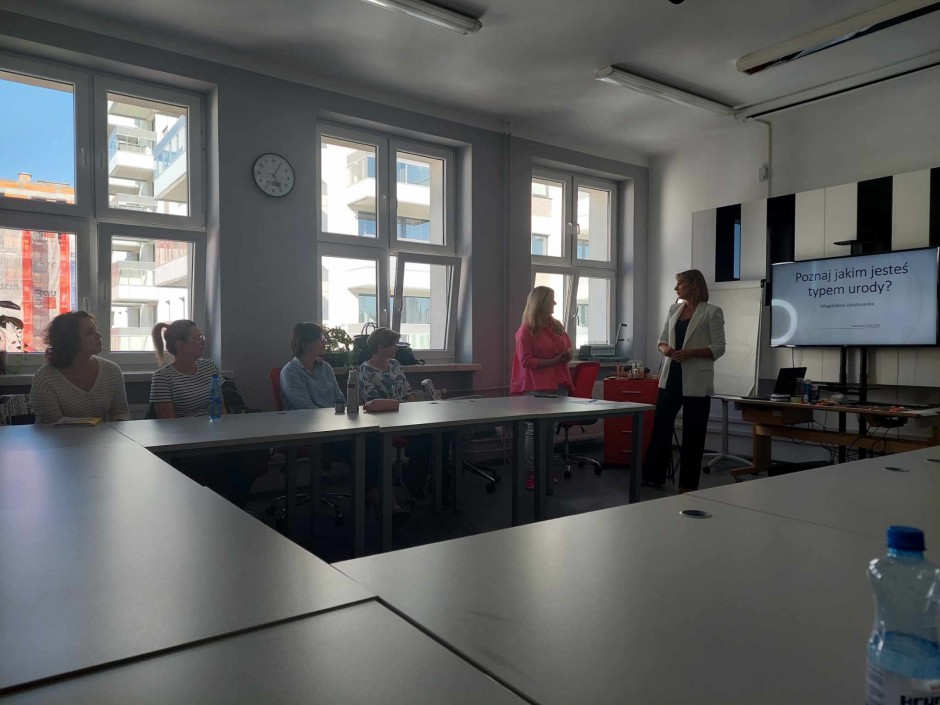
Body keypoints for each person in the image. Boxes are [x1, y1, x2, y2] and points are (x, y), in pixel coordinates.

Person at [149, 320, 265, 507]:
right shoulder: (163, 377)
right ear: (180, 345)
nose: (203, 342)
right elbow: (167, 425)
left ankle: (233, 508)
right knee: (213, 465)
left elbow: (220, 409)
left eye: (202, 337)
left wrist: (223, 433)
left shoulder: (209, 367)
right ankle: (213, 509)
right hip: (187, 445)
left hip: (215, 437)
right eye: (197, 338)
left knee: (252, 456)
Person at [642, 269, 726, 493]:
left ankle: (688, 484)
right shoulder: (674, 309)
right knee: (661, 425)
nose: (676, 288)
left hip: (697, 380)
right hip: (671, 375)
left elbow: (719, 348)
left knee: (694, 432)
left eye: (680, 284)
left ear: (694, 285)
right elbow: (661, 340)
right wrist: (665, 349)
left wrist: (692, 353)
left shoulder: (712, 312)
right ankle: (653, 475)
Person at [509, 286, 574, 491]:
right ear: (540, 303)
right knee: (534, 429)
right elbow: (526, 361)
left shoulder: (556, 326)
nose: (555, 303)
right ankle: (532, 473)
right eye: (551, 300)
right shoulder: (526, 330)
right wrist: (554, 361)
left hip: (557, 383)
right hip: (536, 386)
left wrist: (568, 354)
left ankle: (545, 470)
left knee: (550, 430)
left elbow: (568, 345)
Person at [358, 327, 427, 520]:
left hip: (405, 415)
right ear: (380, 347)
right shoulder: (365, 370)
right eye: (393, 344)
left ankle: (414, 479)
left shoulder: (395, 365)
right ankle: (409, 482)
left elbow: (408, 392)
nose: (396, 348)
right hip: (383, 419)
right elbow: (372, 401)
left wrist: (416, 409)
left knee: (430, 434)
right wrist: (400, 406)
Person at [29, 311, 129, 424]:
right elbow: (51, 424)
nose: (99, 336)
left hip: (103, 435)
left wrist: (119, 427)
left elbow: (120, 412)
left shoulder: (111, 371)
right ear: (70, 340)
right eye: (89, 333)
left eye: (95, 330)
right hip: (57, 436)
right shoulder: (45, 379)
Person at [280, 322, 346, 410]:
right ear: (307, 345)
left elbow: (340, 398)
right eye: (321, 339)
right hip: (305, 418)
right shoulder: (290, 372)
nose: (325, 342)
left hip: (332, 416)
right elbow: (305, 407)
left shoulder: (326, 367)